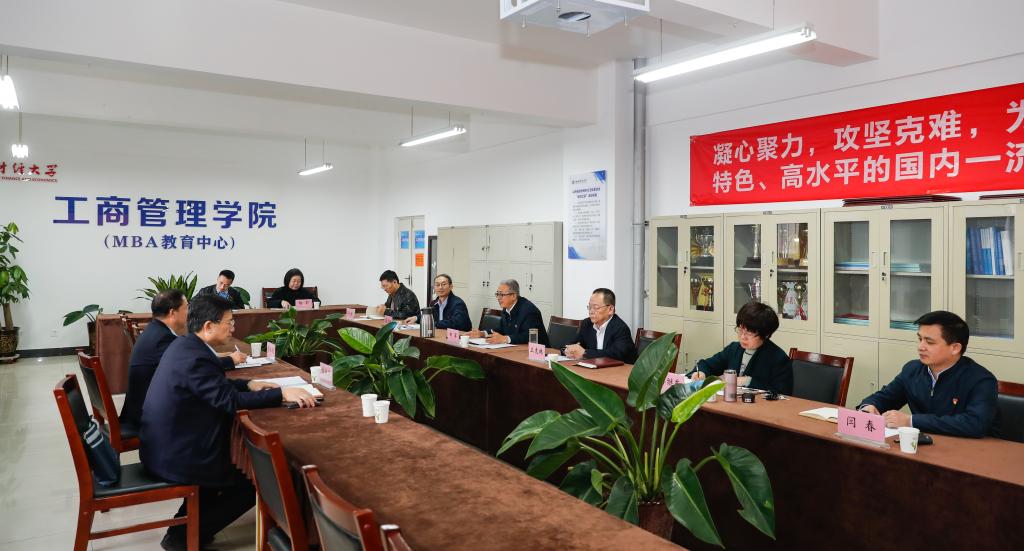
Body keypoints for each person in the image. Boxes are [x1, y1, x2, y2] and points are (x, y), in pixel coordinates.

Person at [140, 294, 316, 551]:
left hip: (169, 443)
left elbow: (214, 386)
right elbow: (229, 401)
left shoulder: (187, 345)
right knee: (254, 480)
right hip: (178, 452)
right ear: (208, 326)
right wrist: (281, 394)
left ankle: (184, 531)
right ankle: (181, 538)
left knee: (235, 472)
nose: (233, 328)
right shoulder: (195, 355)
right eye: (229, 322)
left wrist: (250, 383)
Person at [858, 310, 998, 438]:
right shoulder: (912, 370)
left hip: (969, 451)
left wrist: (911, 421)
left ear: (955, 348)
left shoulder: (981, 380)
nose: (920, 347)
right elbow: (885, 397)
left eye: (929, 342)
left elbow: (975, 424)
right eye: (920, 339)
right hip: (923, 446)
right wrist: (868, 408)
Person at [689, 301, 793, 394]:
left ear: (766, 334)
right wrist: (701, 373)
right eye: (740, 330)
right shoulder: (734, 349)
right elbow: (707, 364)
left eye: (749, 333)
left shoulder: (778, 358)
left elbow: (782, 393)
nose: (743, 337)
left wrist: (748, 381)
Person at [564, 288, 638, 364]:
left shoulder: (620, 328)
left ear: (610, 309)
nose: (591, 311)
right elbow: (570, 344)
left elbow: (615, 355)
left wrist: (585, 353)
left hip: (621, 369)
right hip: (594, 367)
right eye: (589, 307)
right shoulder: (587, 323)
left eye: (596, 307)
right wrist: (568, 350)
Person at [468, 279, 549, 345]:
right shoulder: (506, 309)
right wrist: (483, 334)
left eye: (502, 295)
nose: (498, 298)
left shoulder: (529, 311)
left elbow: (530, 337)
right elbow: (501, 329)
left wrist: (505, 339)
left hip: (539, 353)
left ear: (513, 296)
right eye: (497, 294)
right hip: (516, 349)